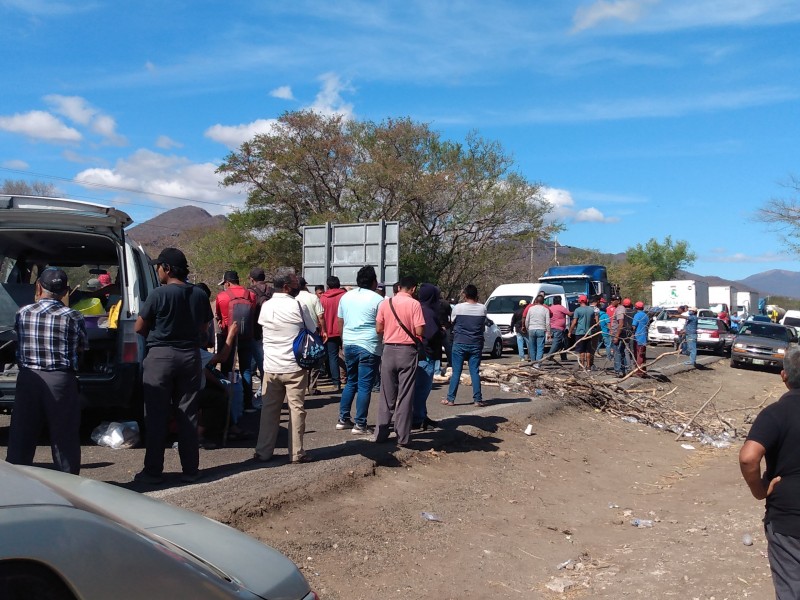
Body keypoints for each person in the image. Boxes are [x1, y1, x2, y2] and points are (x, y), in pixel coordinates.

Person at [134, 248, 213, 484]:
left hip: (160, 357)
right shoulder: (199, 294)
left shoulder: (158, 295)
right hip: (190, 357)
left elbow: (139, 327)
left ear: (167, 268)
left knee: (156, 415)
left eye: (159, 266)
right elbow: (204, 329)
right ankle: (190, 470)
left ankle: (153, 471)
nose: (158, 270)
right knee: (187, 414)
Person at [7, 268, 88, 475]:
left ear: (39, 287)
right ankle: (69, 486)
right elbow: (82, 346)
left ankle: (15, 485)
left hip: (29, 378)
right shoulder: (74, 316)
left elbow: (19, 340)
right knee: (64, 436)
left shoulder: (23, 312)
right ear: (66, 291)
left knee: (22, 434)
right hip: (60, 380)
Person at [739, 346, 800, 597]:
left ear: (783, 376)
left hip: (789, 519)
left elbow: (748, 457)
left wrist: (760, 490)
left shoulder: (776, 413)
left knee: (791, 588)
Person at [253, 273, 318, 463]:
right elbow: (312, 329)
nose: (299, 286)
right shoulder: (298, 305)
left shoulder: (266, 306)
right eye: (296, 283)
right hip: (294, 367)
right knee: (296, 409)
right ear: (287, 287)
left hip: (271, 366)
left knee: (269, 410)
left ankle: (263, 451)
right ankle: (296, 453)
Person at [374, 276, 425, 446]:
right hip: (407, 351)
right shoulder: (415, 304)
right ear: (413, 289)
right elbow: (419, 329)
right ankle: (402, 436)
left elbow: (378, 328)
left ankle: (380, 433)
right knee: (405, 396)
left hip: (388, 350)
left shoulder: (385, 303)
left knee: (386, 394)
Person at [336, 266, 384, 434]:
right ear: (374, 281)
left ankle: (343, 419)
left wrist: (343, 340)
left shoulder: (346, 297)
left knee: (351, 382)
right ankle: (360, 423)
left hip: (349, 343)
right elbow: (381, 324)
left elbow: (340, 321)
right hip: (369, 345)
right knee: (365, 386)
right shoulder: (378, 299)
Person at [214, 270, 256, 414]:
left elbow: (218, 316)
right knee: (246, 369)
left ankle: (228, 402)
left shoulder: (221, 296)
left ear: (227, 282)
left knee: (226, 368)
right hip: (246, 336)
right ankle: (248, 402)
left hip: (228, 337)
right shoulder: (251, 295)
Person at [444, 285, 487, 407]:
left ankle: (450, 399)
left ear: (465, 295)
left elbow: (453, 322)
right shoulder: (482, 308)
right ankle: (477, 399)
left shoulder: (458, 308)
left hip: (460, 342)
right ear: (476, 295)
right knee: (474, 371)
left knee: (456, 372)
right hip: (476, 343)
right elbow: (483, 325)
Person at [412, 283, 442, 431]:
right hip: (426, 354)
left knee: (421, 388)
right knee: (422, 388)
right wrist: (441, 333)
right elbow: (429, 333)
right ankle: (417, 418)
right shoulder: (428, 312)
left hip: (422, 353)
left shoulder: (419, 308)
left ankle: (422, 415)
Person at [297, 276, 327, 394]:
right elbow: (320, 316)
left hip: (298, 333)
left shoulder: (294, 298)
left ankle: (302, 386)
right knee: (315, 358)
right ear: (305, 285)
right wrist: (324, 330)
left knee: (301, 358)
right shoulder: (313, 297)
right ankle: (312, 387)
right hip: (313, 332)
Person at [247, 267, 274, 388]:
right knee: (269, 364)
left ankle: (262, 394)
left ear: (252, 279)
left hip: (256, 332)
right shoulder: (273, 292)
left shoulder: (249, 292)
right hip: (273, 332)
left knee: (257, 364)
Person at [320, 276, 347, 393]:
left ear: (328, 286)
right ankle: (350, 378)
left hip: (329, 331)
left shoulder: (323, 298)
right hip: (345, 330)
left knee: (333, 357)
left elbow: (320, 316)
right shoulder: (345, 296)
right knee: (348, 355)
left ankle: (336, 382)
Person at [568, 295, 596, 370]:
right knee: (588, 350)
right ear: (586, 301)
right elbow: (594, 321)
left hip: (580, 332)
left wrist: (570, 331)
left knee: (581, 350)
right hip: (589, 332)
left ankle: (581, 365)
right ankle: (588, 366)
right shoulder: (591, 310)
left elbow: (574, 322)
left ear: (579, 301)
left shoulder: (577, 310)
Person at [544, 295, 572, 363]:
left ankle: (563, 357)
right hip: (558, 328)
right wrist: (575, 312)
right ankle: (549, 355)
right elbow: (569, 314)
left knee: (562, 343)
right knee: (556, 342)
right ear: (560, 301)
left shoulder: (550, 308)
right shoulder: (561, 308)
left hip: (552, 327)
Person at [524, 295, 550, 367]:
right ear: (543, 301)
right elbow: (547, 322)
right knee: (540, 347)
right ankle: (537, 364)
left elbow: (527, 320)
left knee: (532, 347)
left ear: (536, 301)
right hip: (541, 329)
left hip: (531, 329)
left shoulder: (531, 309)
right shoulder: (545, 309)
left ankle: (533, 362)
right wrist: (549, 332)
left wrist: (527, 328)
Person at [611, 297, 633, 377]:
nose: (612, 301)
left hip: (619, 334)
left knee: (617, 353)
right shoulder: (620, 309)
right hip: (622, 333)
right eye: (611, 299)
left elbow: (621, 324)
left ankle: (618, 371)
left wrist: (616, 336)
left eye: (613, 300)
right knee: (623, 351)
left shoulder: (620, 309)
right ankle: (625, 369)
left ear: (619, 301)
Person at [631, 301, 649, 377]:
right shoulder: (646, 315)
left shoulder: (637, 315)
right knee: (643, 355)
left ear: (636, 307)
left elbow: (634, 326)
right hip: (644, 336)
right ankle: (643, 370)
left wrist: (631, 332)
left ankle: (639, 371)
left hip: (638, 337)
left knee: (638, 355)